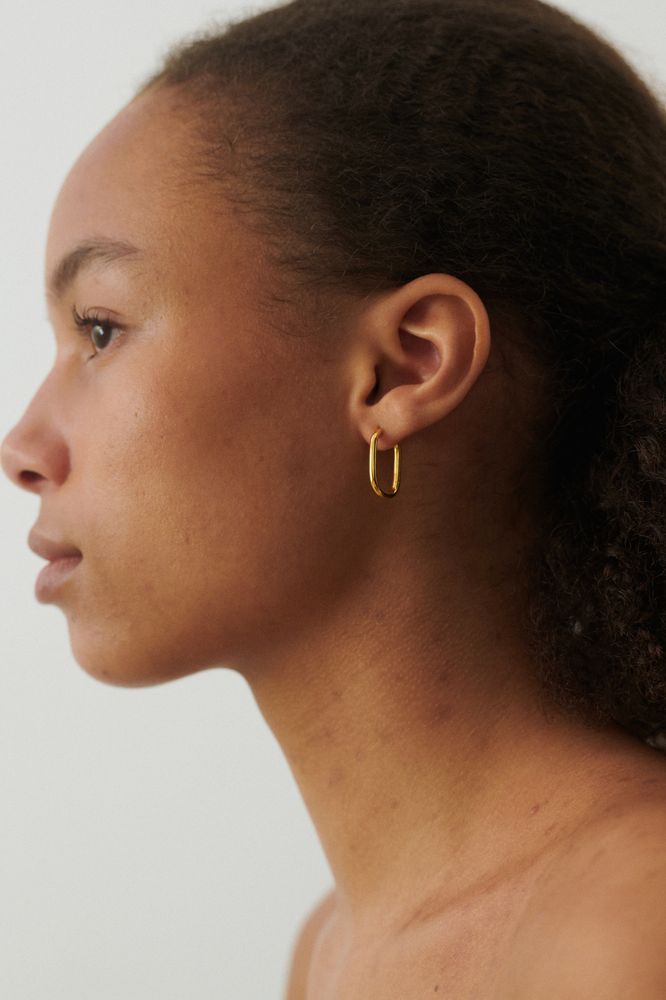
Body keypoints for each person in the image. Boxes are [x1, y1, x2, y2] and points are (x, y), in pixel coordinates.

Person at [2, 0, 666, 995]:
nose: (24, 447)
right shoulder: (332, 952)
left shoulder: (630, 927)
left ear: (405, 368)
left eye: (100, 329)